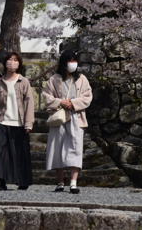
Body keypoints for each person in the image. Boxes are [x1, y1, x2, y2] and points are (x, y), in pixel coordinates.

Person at [42, 51, 93, 193]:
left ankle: (73, 182)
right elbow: (46, 96)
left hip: (76, 116)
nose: (72, 64)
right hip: (59, 117)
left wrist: (74, 103)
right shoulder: (54, 79)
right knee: (57, 148)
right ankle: (60, 182)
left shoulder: (81, 78)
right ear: (64, 63)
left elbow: (87, 96)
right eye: (70, 61)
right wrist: (60, 102)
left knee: (75, 147)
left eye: (74, 61)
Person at [0, 51, 34, 190]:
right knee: (1, 152)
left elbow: (29, 103)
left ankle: (22, 181)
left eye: (15, 60)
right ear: (5, 63)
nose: (12, 62)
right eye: (10, 59)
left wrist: (28, 123)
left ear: (19, 63)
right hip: (2, 121)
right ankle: (2, 181)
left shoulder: (24, 81)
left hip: (19, 122)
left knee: (20, 152)